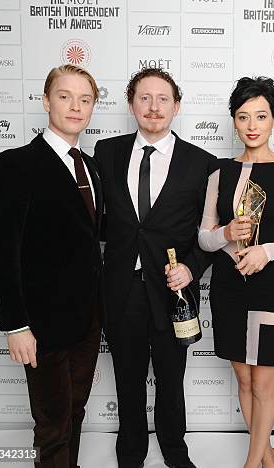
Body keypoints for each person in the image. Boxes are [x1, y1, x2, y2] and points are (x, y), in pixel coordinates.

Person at [183, 76, 274, 468]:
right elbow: (204, 238)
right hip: (228, 289)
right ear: (234, 121)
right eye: (243, 117)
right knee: (243, 379)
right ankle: (266, 454)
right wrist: (226, 232)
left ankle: (252, 462)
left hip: (273, 286)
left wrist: (269, 252)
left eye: (261, 115)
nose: (252, 125)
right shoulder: (219, 171)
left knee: (264, 380)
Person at [94, 68, 215, 468]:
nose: (154, 107)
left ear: (176, 106)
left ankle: (175, 452)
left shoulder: (202, 164)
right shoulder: (105, 154)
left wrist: (192, 270)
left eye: (163, 98)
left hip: (173, 293)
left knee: (170, 380)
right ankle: (130, 455)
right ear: (131, 104)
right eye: (144, 98)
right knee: (127, 381)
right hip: (120, 290)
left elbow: (211, 235)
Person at [0, 64, 102, 467]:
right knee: (51, 422)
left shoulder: (91, 167)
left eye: (85, 99)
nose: (75, 106)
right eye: (65, 96)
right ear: (46, 100)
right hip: (41, 324)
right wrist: (15, 324)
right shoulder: (15, 164)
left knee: (75, 412)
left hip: (87, 320)